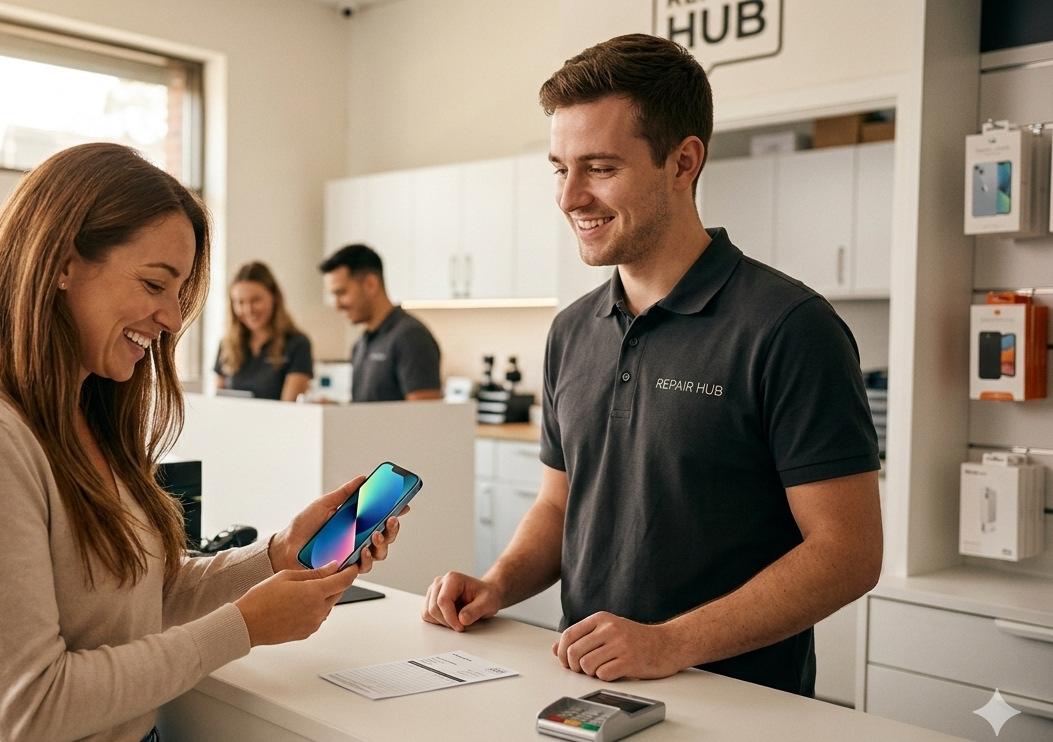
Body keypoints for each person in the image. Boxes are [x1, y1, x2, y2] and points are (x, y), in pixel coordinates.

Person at [0, 143, 405, 742]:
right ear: (61, 263)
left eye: (179, 292)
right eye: (156, 284)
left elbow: (141, 601)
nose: (171, 316)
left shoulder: (88, 415)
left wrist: (275, 557)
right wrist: (242, 626)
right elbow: (28, 710)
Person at [421, 34, 882, 697]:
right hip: (584, 688)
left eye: (600, 168)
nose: (569, 197)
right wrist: (498, 583)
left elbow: (848, 554)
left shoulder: (789, 328)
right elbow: (559, 503)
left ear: (683, 161)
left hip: (739, 708)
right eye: (560, 168)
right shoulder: (571, 330)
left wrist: (669, 643)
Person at [318, 244, 443, 402]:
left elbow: (426, 416)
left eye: (341, 293)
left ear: (371, 284)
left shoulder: (410, 337)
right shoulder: (362, 342)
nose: (336, 305)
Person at [214, 261, 313, 400]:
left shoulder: (298, 344)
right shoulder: (226, 345)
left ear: (274, 298)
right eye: (240, 302)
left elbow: (289, 410)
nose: (248, 310)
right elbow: (219, 402)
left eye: (256, 300)